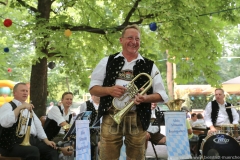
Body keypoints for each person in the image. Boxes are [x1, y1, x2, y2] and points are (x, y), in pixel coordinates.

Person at [89, 24, 168, 160]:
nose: (134, 42)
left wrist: (145, 98)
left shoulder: (150, 65)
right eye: (130, 38)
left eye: (137, 39)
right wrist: (109, 90)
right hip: (111, 115)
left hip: (138, 116)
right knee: (108, 157)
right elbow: (93, 88)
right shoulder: (107, 61)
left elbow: (162, 96)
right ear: (121, 40)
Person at [0, 82, 58, 160]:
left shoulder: (28, 107)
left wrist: (46, 140)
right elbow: (4, 123)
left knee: (51, 150)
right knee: (33, 151)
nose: (25, 93)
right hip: (12, 142)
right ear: (15, 93)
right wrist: (20, 107)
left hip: (31, 139)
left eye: (26, 91)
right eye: (22, 91)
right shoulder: (7, 106)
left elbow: (38, 124)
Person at [44, 92, 75, 158]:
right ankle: (61, 154)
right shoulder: (55, 109)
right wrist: (75, 131)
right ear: (62, 100)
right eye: (67, 99)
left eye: (71, 99)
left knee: (81, 144)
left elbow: (70, 130)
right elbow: (63, 124)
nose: (69, 101)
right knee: (70, 149)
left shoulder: (70, 113)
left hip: (63, 137)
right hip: (52, 138)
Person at [79, 94, 100, 160]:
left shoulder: (103, 105)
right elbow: (81, 120)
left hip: (102, 131)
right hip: (89, 133)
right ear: (93, 94)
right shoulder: (85, 104)